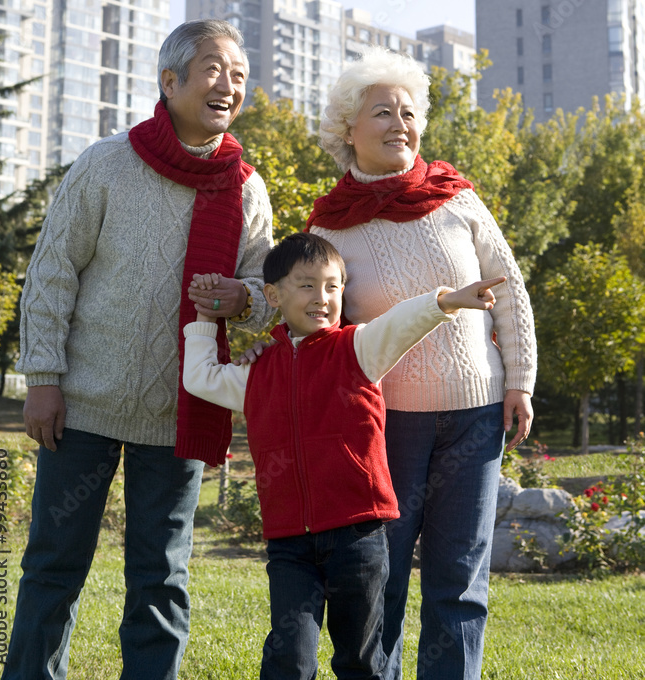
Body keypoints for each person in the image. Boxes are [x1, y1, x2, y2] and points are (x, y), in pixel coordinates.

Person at [4, 20, 274, 680]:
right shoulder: (105, 163)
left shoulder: (245, 188)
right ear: (170, 80)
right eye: (214, 70)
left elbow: (269, 294)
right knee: (53, 567)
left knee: (161, 577)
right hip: (83, 407)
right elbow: (52, 272)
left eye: (239, 76)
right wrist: (43, 377)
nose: (229, 86)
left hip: (180, 411)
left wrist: (241, 301)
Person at [306, 47, 537, 680]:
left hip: (475, 416)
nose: (400, 123)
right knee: (380, 578)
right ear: (347, 129)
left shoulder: (456, 199)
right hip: (385, 425)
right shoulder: (331, 227)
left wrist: (520, 381)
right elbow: (316, 323)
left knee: (459, 579)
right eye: (382, 112)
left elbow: (508, 289)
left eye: (409, 112)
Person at [183, 231, 506, 680]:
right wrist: (203, 317)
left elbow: (400, 322)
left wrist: (447, 301)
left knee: (360, 660)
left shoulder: (357, 349)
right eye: (307, 285)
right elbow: (200, 377)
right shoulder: (258, 373)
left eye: (334, 286)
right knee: (288, 660)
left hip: (359, 538)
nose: (323, 297)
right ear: (273, 295)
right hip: (290, 543)